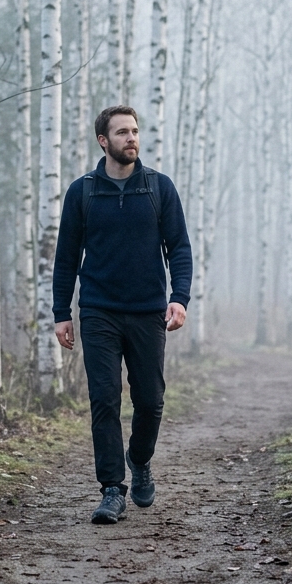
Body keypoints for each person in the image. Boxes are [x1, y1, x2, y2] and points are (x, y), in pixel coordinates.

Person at [52, 105, 194, 524]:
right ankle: (112, 489)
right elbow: (65, 259)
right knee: (104, 400)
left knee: (150, 402)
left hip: (149, 311)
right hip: (98, 312)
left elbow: (180, 249)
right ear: (103, 140)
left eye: (134, 132)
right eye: (122, 133)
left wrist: (179, 297)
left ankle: (140, 458)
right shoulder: (83, 192)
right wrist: (63, 312)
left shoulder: (158, 188)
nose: (131, 138)